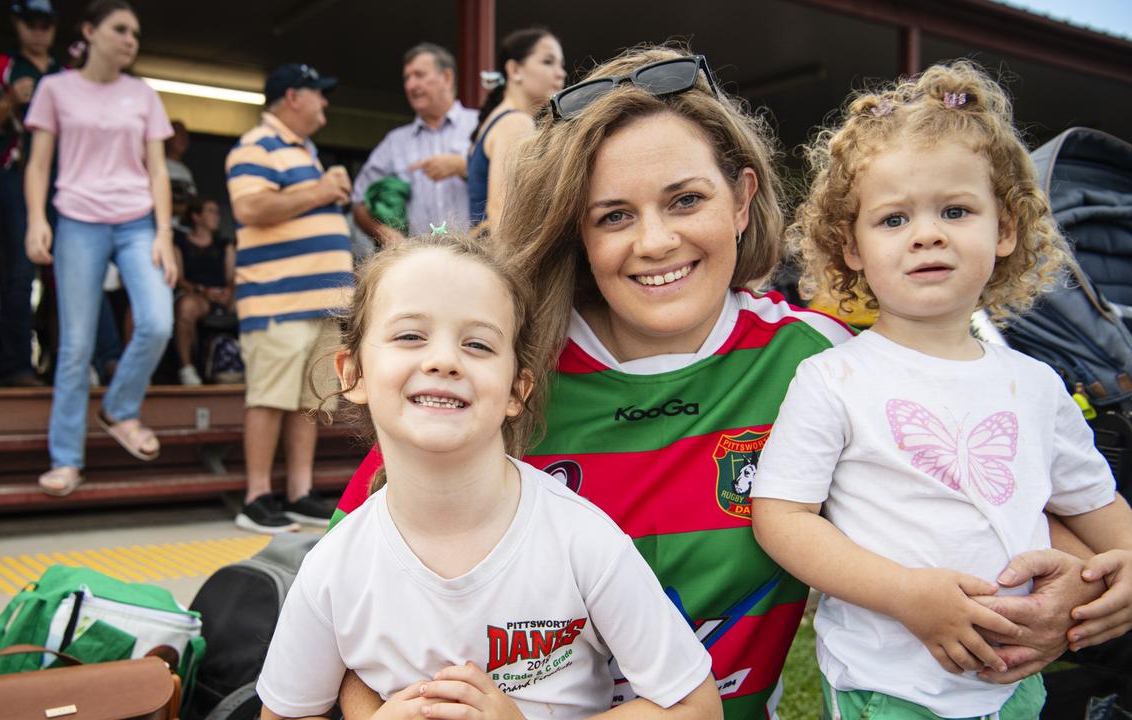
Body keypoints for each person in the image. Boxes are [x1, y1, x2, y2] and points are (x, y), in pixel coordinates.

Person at [331, 47, 1129, 719]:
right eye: (613, 216)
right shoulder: (498, 370)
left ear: (744, 200)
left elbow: (983, 486)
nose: (655, 241)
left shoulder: (817, 361)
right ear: (575, 227)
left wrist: (1066, 596)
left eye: (686, 200)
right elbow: (342, 599)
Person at [751, 61, 1132, 720]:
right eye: (893, 219)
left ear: (1005, 229)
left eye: (956, 210)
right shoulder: (835, 378)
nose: (927, 233)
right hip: (891, 688)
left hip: (1017, 684)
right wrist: (905, 593)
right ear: (851, 246)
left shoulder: (1036, 385)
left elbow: (1098, 508)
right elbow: (780, 518)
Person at [256, 233, 723, 720]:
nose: (442, 360)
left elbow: (695, 706)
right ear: (351, 374)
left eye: (477, 344)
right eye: (410, 335)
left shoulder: (581, 540)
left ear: (516, 390)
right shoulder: (333, 567)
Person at [23, 0, 176, 496]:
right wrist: (35, 220)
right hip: (77, 219)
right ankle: (66, 459)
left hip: (136, 221)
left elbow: (157, 169)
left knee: (157, 320)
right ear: (89, 31)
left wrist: (165, 235)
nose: (131, 39)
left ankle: (119, 409)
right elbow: (38, 164)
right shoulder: (55, 88)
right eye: (120, 29)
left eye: (135, 32)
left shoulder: (143, 94)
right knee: (76, 346)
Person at [226, 62, 353, 532]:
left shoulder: (305, 151)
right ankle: (257, 495)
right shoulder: (255, 146)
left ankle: (299, 492)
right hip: (277, 300)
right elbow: (249, 207)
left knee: (310, 400)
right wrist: (321, 192)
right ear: (294, 97)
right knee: (270, 397)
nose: (325, 103)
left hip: (317, 301)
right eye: (319, 93)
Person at [0, 0, 60, 387]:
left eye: (46, 24)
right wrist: (10, 100)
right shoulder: (2, 68)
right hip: (14, 175)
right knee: (19, 272)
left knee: (71, 273)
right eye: (32, 23)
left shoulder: (66, 73)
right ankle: (17, 366)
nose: (39, 31)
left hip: (65, 180)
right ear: (17, 24)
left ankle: (75, 362)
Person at [350, 43, 479, 243]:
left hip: (479, 260)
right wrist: (387, 236)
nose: (410, 85)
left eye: (419, 75)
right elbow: (358, 201)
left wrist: (465, 167)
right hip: (418, 265)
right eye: (407, 78)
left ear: (447, 77)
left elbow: (513, 183)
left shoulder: (480, 124)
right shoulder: (395, 142)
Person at [466, 28, 565, 231]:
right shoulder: (515, 123)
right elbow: (502, 216)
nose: (561, 73)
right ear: (514, 70)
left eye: (561, 64)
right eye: (548, 61)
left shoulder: (499, 120)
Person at [173, 196, 234, 385]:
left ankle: (244, 365)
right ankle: (187, 368)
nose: (217, 216)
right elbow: (178, 278)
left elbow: (231, 277)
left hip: (223, 294)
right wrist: (202, 290)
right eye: (211, 211)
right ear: (196, 216)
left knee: (250, 303)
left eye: (217, 211)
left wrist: (229, 292)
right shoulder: (180, 243)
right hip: (196, 294)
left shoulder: (225, 245)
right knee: (186, 307)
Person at [166, 119, 196, 226]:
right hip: (158, 228)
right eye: (179, 133)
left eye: (185, 135)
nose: (184, 138)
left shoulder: (185, 171)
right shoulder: (157, 167)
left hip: (180, 229)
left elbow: (192, 202)